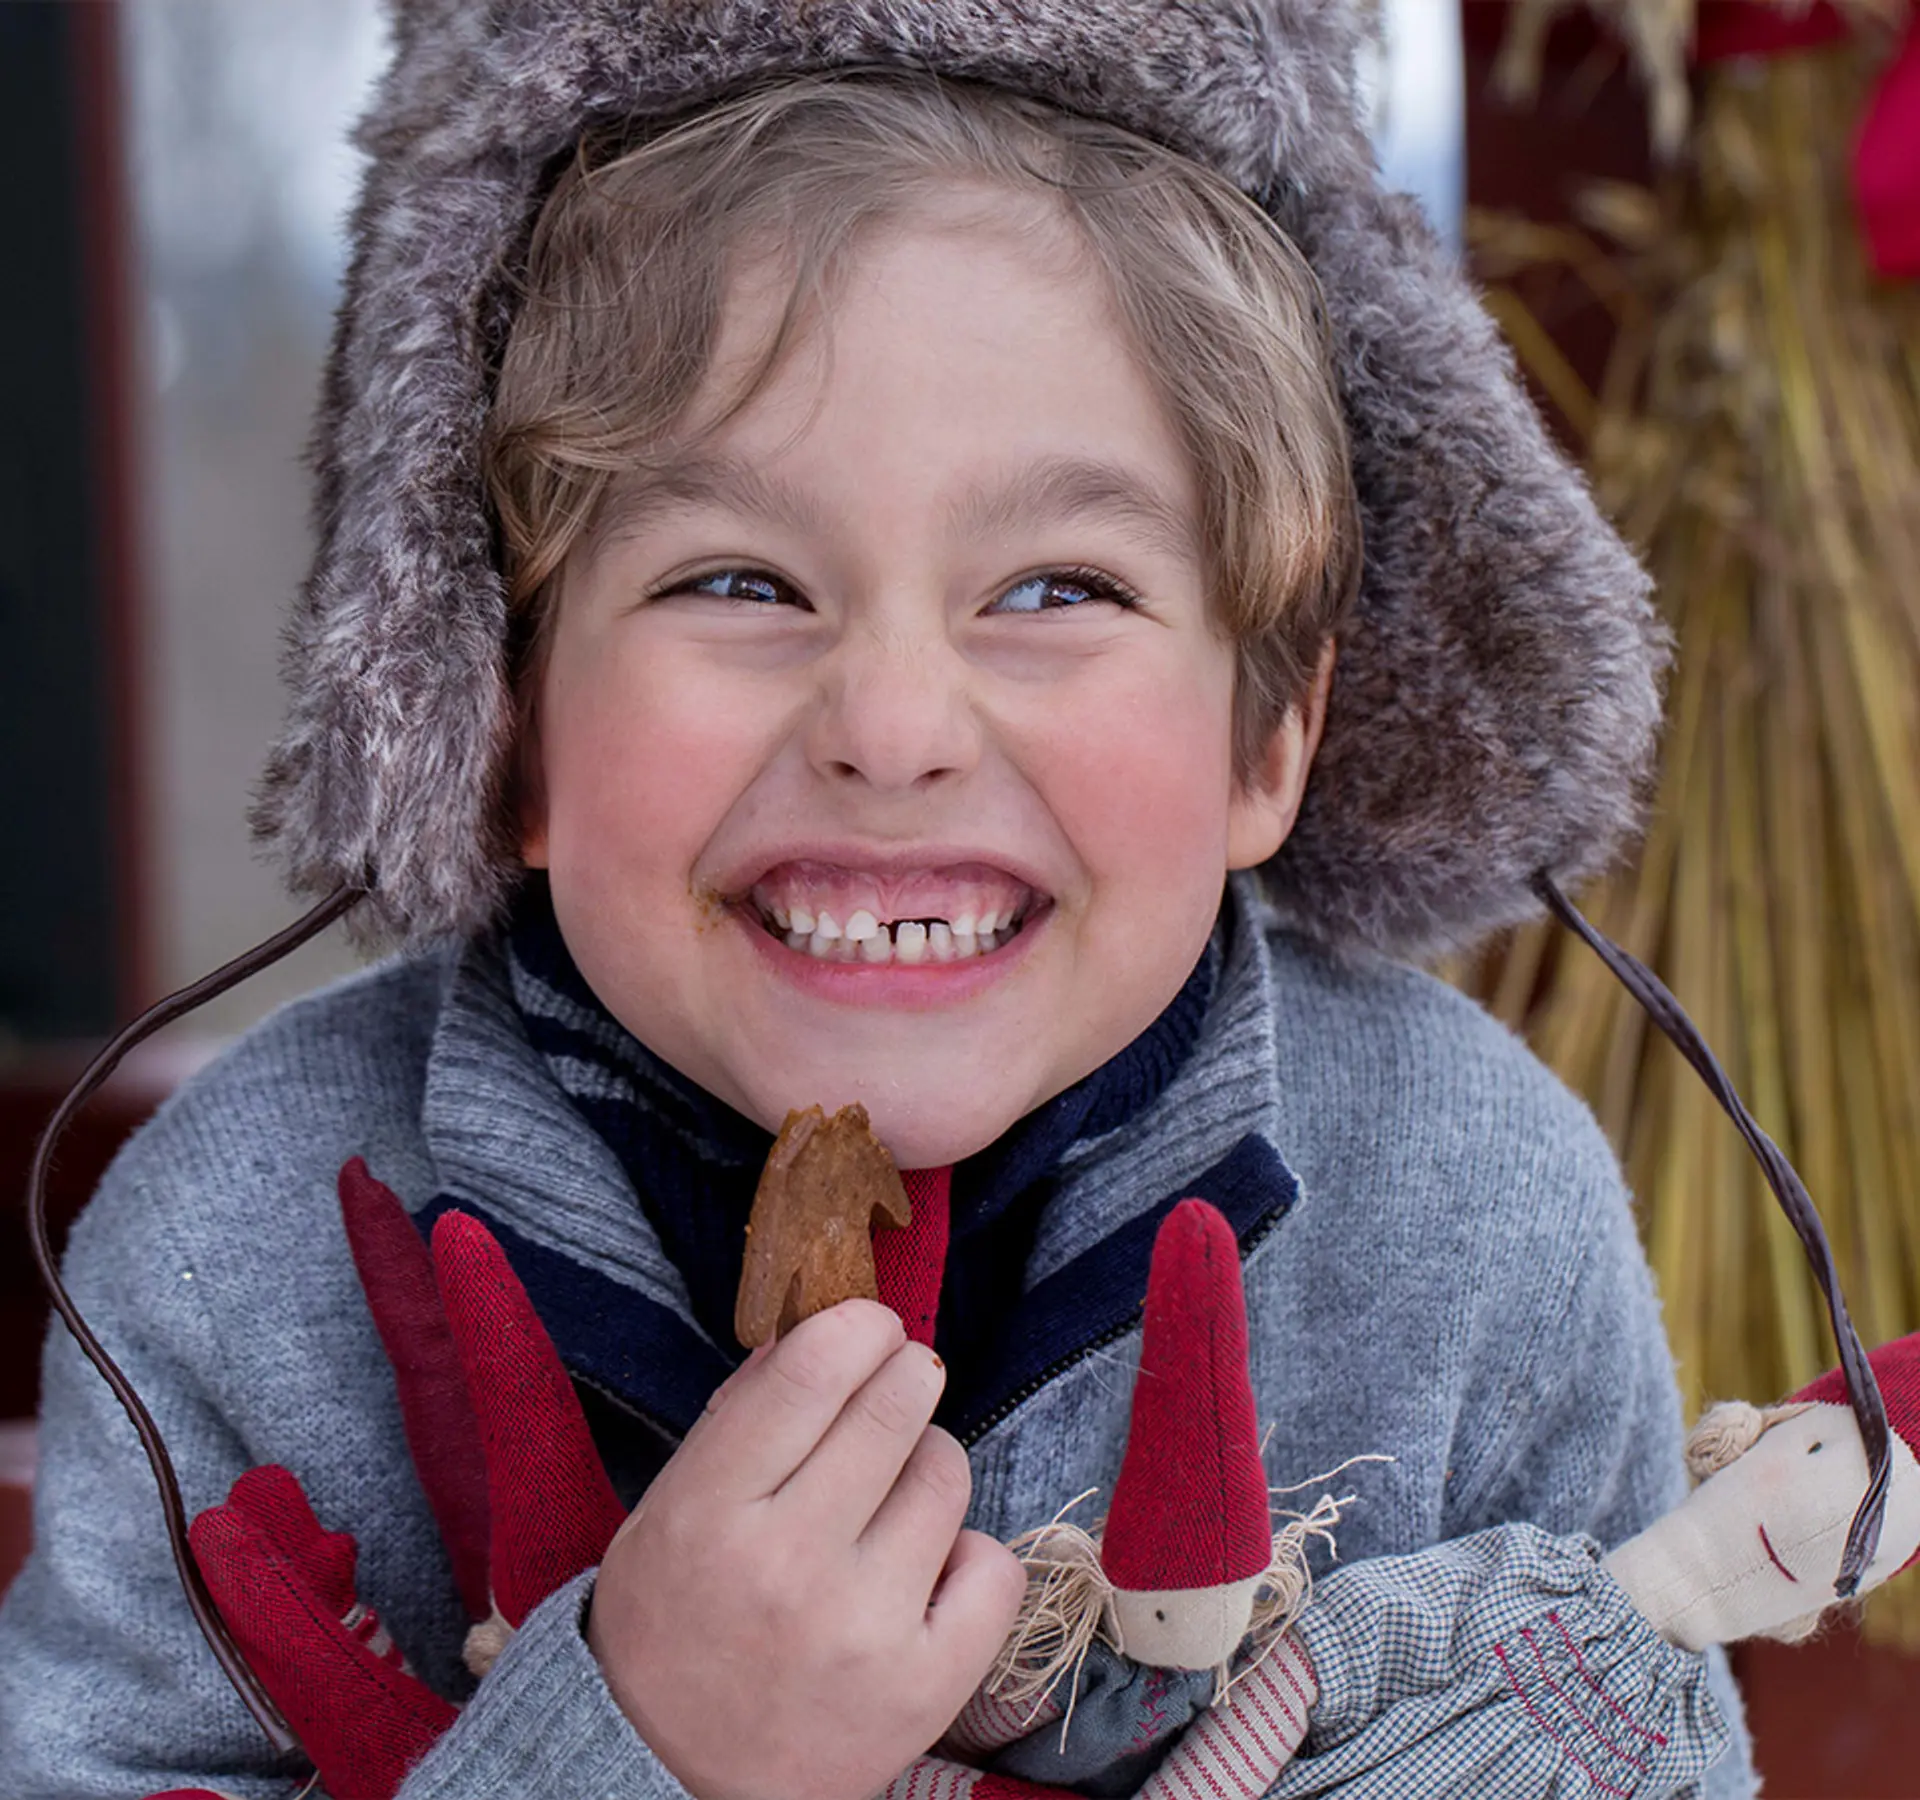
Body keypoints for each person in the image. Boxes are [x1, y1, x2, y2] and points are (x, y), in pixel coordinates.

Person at [0, 6, 1761, 1797]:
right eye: (740, 578)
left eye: (1060, 587)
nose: (895, 730)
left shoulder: (1479, 1210)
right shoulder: (236, 1254)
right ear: (499, 709)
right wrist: (635, 1741)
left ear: (1271, 739)